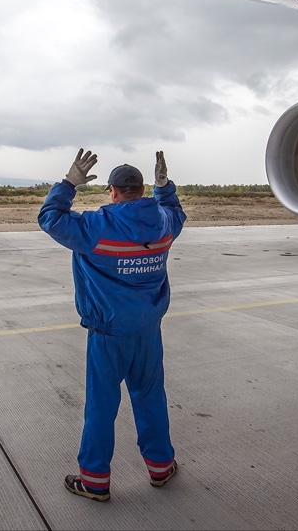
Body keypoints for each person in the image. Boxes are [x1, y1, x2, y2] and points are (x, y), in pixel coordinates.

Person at [38, 148, 186, 502]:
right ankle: (161, 467)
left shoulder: (96, 227)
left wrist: (69, 183)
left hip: (108, 333)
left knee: (102, 405)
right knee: (150, 398)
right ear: (141, 188)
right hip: (148, 330)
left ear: (114, 191)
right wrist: (164, 187)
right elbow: (176, 211)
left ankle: (94, 480)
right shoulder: (163, 223)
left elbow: (49, 218)